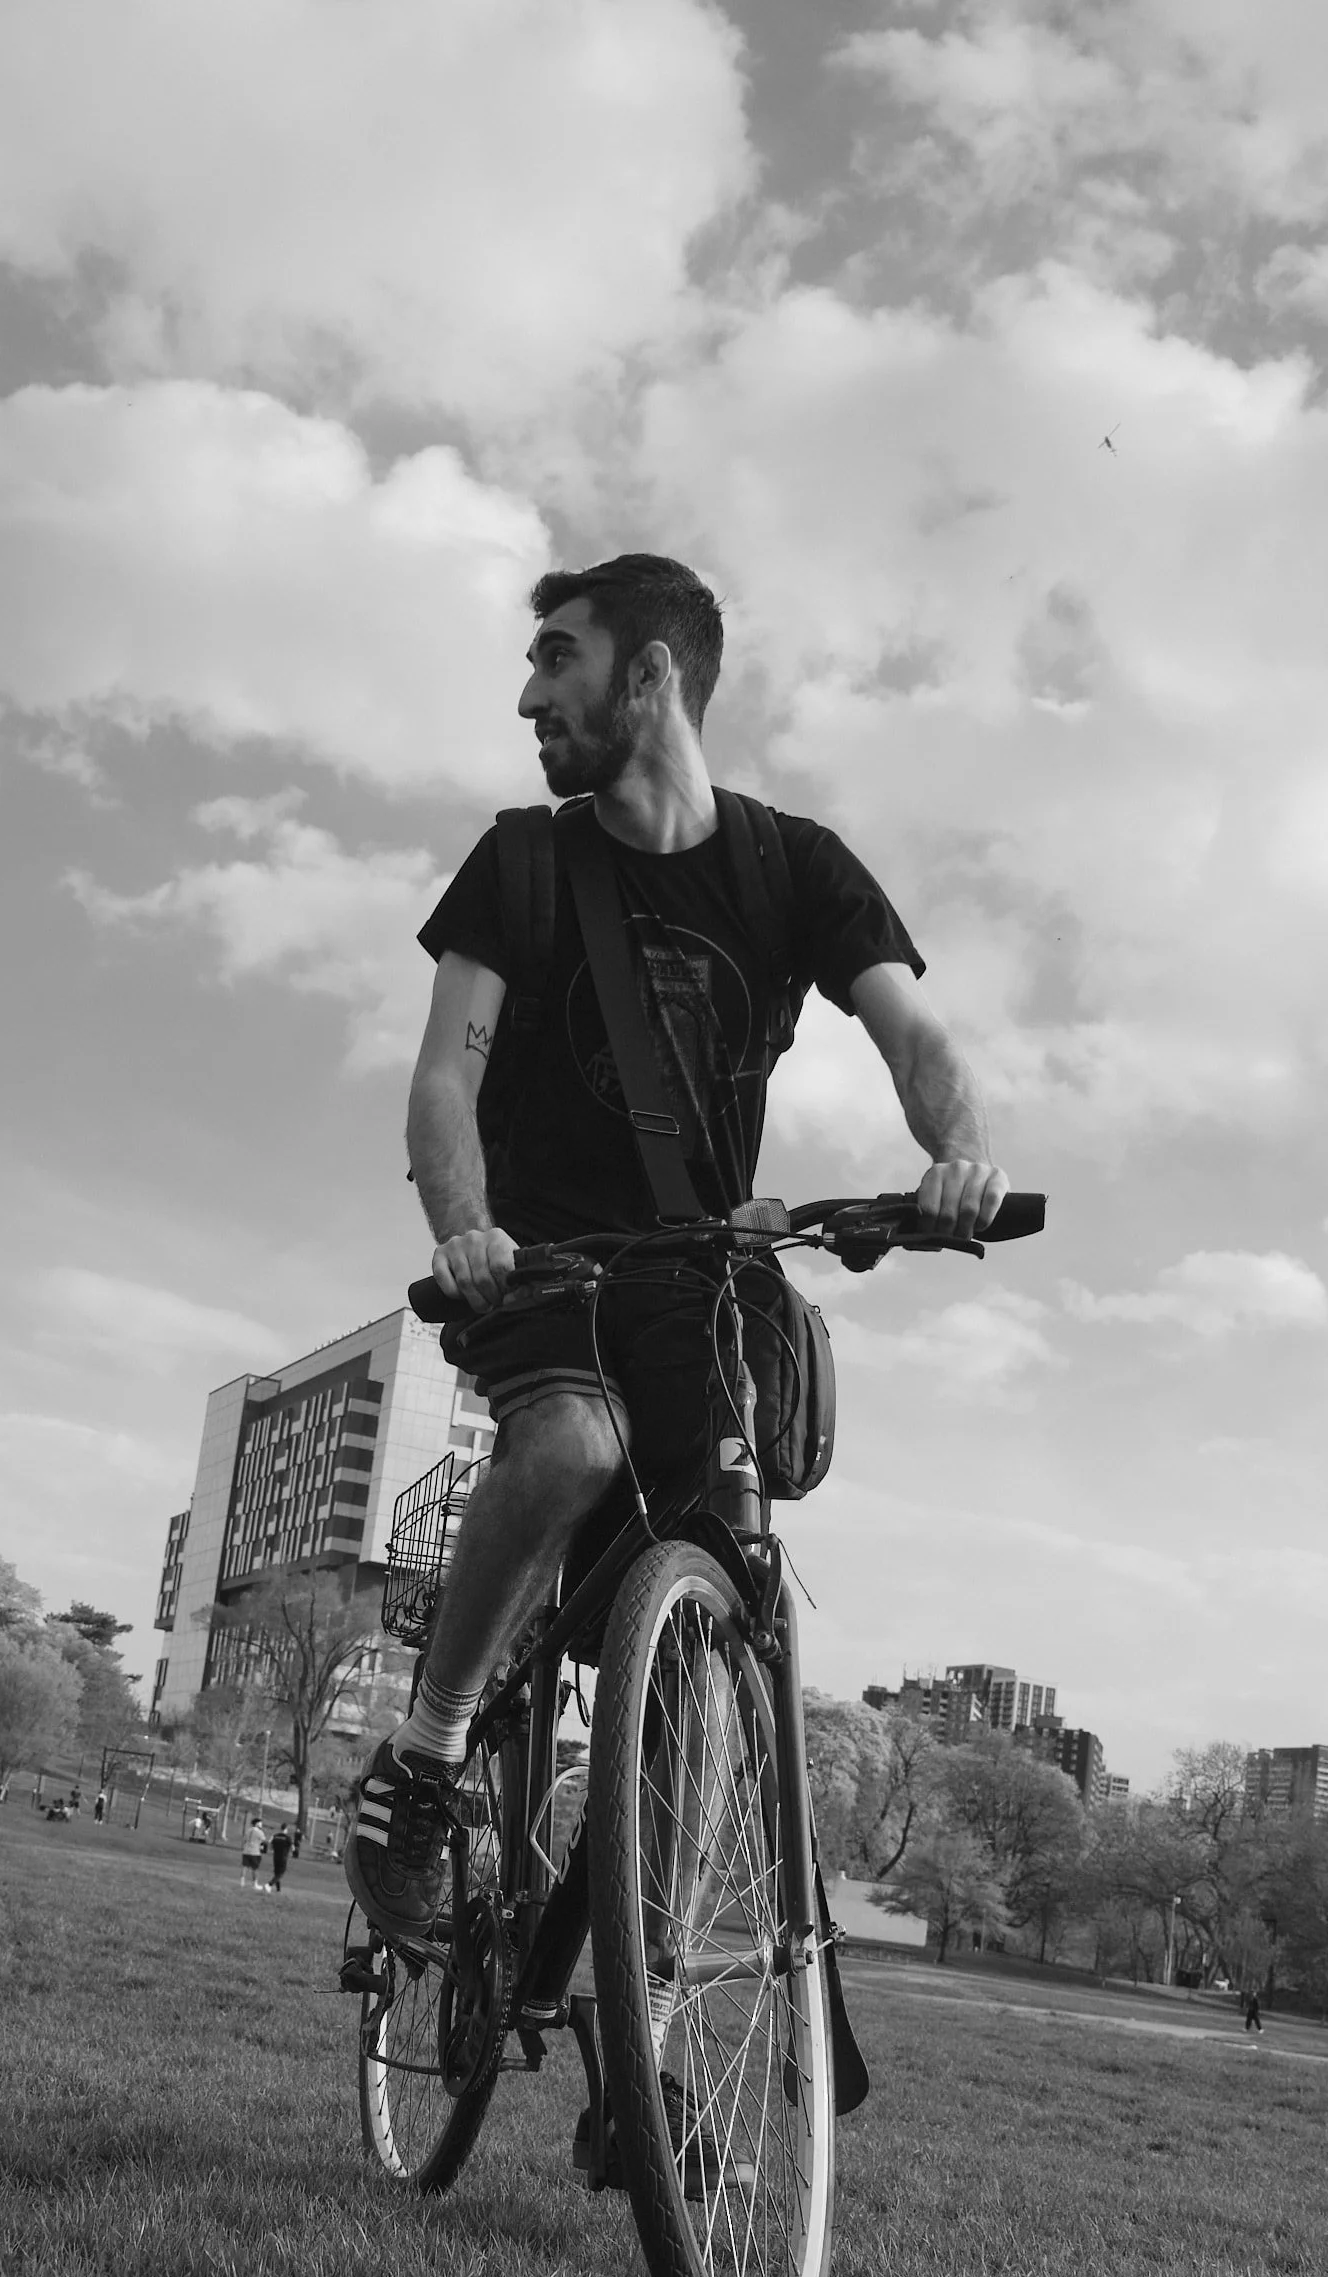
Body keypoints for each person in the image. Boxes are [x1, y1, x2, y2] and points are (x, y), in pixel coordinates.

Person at [345, 553, 1009, 1944]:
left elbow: (913, 1036)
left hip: (700, 1277)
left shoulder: (788, 867)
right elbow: (443, 1081)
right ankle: (425, 1756)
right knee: (571, 1448)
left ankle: (649, 1956)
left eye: (558, 659)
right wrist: (465, 1234)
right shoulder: (522, 865)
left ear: (649, 675)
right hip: (538, 1264)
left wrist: (955, 1156)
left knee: (718, 1560)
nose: (528, 697)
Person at [241, 1815, 267, 1889]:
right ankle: (255, 1884)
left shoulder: (248, 1830)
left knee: (245, 1867)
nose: (261, 1824)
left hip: (246, 1851)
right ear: (257, 1824)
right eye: (260, 1823)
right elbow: (264, 1840)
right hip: (255, 1852)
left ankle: (242, 1882)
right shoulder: (259, 1832)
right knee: (255, 1868)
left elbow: (244, 1840)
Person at [268, 1823, 293, 1892]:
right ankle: (269, 1884)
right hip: (283, 1857)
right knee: (281, 1873)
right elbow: (292, 1848)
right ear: (286, 1829)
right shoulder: (288, 1838)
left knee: (276, 1873)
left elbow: (270, 1846)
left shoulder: (275, 1836)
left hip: (275, 1857)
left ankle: (278, 1889)